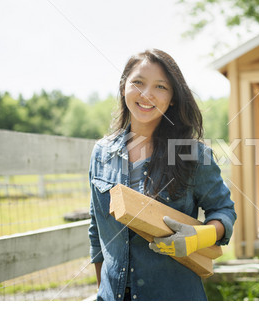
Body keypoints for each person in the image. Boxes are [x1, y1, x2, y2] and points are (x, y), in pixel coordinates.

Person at [88, 48, 236, 301]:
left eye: (160, 87)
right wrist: (104, 291)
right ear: (124, 86)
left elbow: (224, 211)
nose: (146, 94)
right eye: (138, 82)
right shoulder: (102, 152)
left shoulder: (193, 154)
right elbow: (95, 228)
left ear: (173, 98)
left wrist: (201, 236)